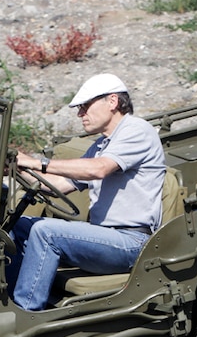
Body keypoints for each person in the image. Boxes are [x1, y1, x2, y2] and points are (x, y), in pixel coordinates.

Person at [9, 73, 166, 311]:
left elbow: (100, 169)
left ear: (112, 102)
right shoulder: (102, 144)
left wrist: (37, 162)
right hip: (104, 237)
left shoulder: (137, 130)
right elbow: (61, 184)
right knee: (17, 225)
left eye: (85, 106)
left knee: (45, 232)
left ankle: (25, 313)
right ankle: (8, 302)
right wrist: (14, 170)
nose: (80, 114)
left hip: (132, 243)